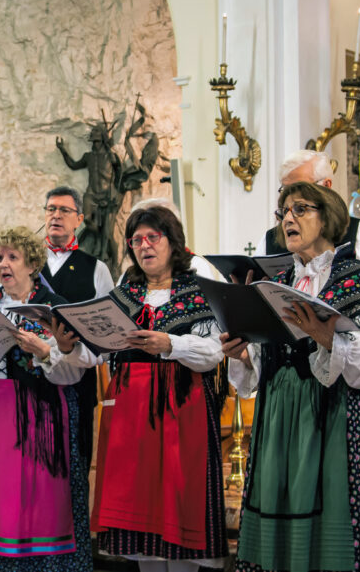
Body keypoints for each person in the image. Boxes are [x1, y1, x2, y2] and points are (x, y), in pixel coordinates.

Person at [224, 182, 360, 572]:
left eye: (300, 209)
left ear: (328, 218)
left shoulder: (356, 278)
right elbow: (265, 354)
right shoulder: (279, 283)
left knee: (331, 523)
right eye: (283, 212)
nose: (288, 218)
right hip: (280, 419)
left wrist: (327, 339)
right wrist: (245, 352)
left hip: (335, 419)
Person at [66, 205, 230, 572]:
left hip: (181, 409)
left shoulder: (197, 290)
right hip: (130, 415)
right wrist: (67, 346)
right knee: (140, 531)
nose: (144, 245)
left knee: (178, 514)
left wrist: (170, 344)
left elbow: (214, 352)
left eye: (153, 237)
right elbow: (96, 352)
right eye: (136, 240)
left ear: (173, 243)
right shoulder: (125, 293)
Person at [0, 226, 91, 572]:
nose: (4, 264)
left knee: (40, 503)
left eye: (13, 257)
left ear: (32, 264)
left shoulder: (55, 308)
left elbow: (74, 374)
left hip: (43, 415)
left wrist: (43, 352)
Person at [256, 150, 360, 296]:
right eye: (285, 189)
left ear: (326, 186)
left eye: (300, 188)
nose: (289, 196)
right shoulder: (270, 239)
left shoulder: (359, 232)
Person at [40, 185, 114, 470]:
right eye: (51, 209)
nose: (56, 215)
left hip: (77, 383)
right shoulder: (26, 265)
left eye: (64, 210)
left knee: (74, 467)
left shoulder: (96, 269)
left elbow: (106, 335)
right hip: (32, 382)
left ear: (79, 219)